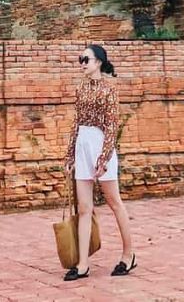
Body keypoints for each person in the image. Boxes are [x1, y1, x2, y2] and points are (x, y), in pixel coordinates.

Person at [62, 44, 137, 281]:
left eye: (86, 59)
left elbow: (112, 125)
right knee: (84, 208)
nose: (82, 63)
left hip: (100, 144)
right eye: (80, 59)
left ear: (99, 62)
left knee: (114, 202)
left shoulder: (109, 90)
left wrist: (103, 158)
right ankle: (83, 264)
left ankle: (128, 255)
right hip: (83, 143)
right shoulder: (81, 88)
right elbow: (76, 122)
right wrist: (70, 155)